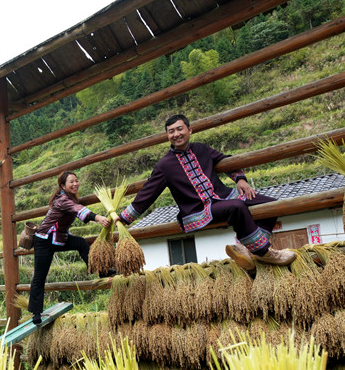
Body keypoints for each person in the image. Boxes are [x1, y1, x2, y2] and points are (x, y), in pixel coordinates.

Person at [116, 114, 295, 270]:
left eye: (180, 129)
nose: (176, 134)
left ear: (189, 130)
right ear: (167, 136)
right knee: (237, 207)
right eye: (171, 131)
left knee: (271, 204)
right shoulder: (164, 165)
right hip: (198, 211)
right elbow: (147, 194)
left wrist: (240, 179)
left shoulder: (202, 149)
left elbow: (225, 160)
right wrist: (124, 218)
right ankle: (265, 252)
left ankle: (249, 250)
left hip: (223, 197)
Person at [28, 171, 111, 325]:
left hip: (59, 238)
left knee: (80, 243)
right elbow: (77, 208)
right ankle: (36, 313)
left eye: (76, 181)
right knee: (40, 276)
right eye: (71, 182)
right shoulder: (62, 199)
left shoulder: (69, 198)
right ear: (62, 186)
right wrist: (98, 218)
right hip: (44, 240)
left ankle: (101, 271)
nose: (75, 184)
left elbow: (76, 208)